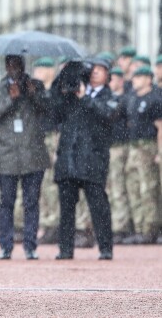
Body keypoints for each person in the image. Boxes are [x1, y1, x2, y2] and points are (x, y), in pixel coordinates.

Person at [0, 55, 50, 260]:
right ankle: (6, 245)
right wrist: (10, 99)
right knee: (6, 203)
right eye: (11, 65)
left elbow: (48, 110)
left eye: (19, 65)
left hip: (33, 153)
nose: (15, 69)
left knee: (31, 202)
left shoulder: (35, 85)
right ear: (6, 67)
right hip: (8, 155)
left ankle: (30, 245)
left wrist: (33, 94)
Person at [52, 57, 115, 260]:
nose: (95, 72)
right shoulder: (71, 97)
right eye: (93, 68)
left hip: (93, 160)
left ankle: (105, 248)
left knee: (99, 207)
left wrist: (85, 97)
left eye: (101, 69)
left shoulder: (109, 97)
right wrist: (63, 79)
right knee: (67, 209)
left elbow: (107, 114)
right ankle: (65, 249)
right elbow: (53, 110)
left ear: (108, 74)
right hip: (68, 160)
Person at [119, 66, 162, 245]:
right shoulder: (132, 99)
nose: (134, 80)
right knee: (133, 187)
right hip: (134, 147)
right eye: (134, 77)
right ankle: (139, 228)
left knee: (148, 189)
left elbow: (160, 127)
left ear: (148, 79)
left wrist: (159, 152)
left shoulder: (155, 98)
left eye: (139, 77)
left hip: (148, 146)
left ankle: (150, 229)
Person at [32, 57, 60, 245]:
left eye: (41, 69)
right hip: (39, 139)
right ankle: (47, 223)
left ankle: (53, 225)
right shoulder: (37, 93)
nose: (37, 74)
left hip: (53, 138)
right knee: (41, 185)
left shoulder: (57, 91)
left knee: (52, 184)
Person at [106, 67, 133, 244]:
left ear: (121, 81)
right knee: (110, 189)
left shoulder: (126, 100)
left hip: (120, 147)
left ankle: (121, 227)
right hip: (107, 147)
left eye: (114, 79)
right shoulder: (108, 99)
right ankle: (113, 225)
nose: (111, 83)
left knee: (119, 189)